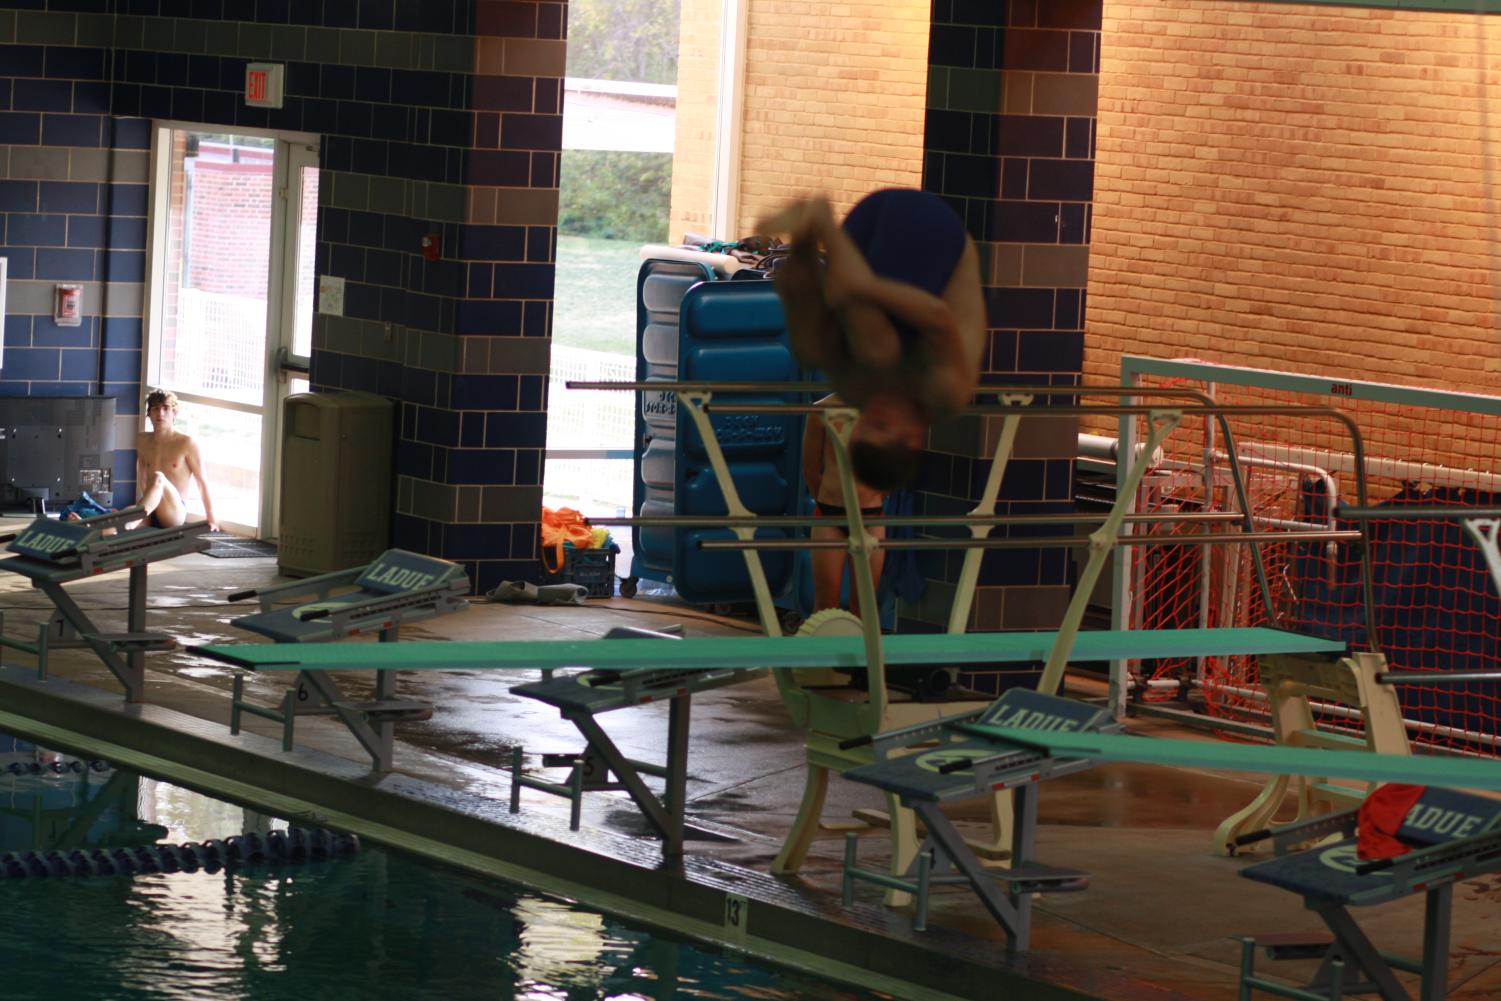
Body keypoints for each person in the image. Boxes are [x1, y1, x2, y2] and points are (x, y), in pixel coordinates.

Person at [759, 187, 986, 490]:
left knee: (811, 351)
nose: (871, 412)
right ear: (914, 437)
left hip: (865, 224)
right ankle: (823, 223)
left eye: (863, 422)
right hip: (931, 228)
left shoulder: (858, 391)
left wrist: (808, 282)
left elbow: (821, 324)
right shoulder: (945, 391)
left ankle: (805, 235)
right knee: (879, 351)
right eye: (881, 425)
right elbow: (937, 316)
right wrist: (864, 287)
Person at [802, 395, 886, 618]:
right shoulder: (821, 411)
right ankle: (822, 653)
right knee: (826, 605)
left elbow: (893, 468)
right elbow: (810, 470)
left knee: (865, 605)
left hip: (871, 516)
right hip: (830, 515)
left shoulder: (884, 410)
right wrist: (830, 500)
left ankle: (862, 654)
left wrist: (872, 496)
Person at [133, 389, 218, 531]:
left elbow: (202, 482)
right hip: (150, 509)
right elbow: (142, 478)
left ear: (174, 413)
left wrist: (212, 518)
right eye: (155, 409)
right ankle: (95, 534)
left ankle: (132, 521)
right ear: (149, 413)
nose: (160, 414)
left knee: (158, 477)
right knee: (123, 516)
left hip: (174, 513)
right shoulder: (142, 440)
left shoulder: (187, 443)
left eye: (166, 409)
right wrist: (148, 506)